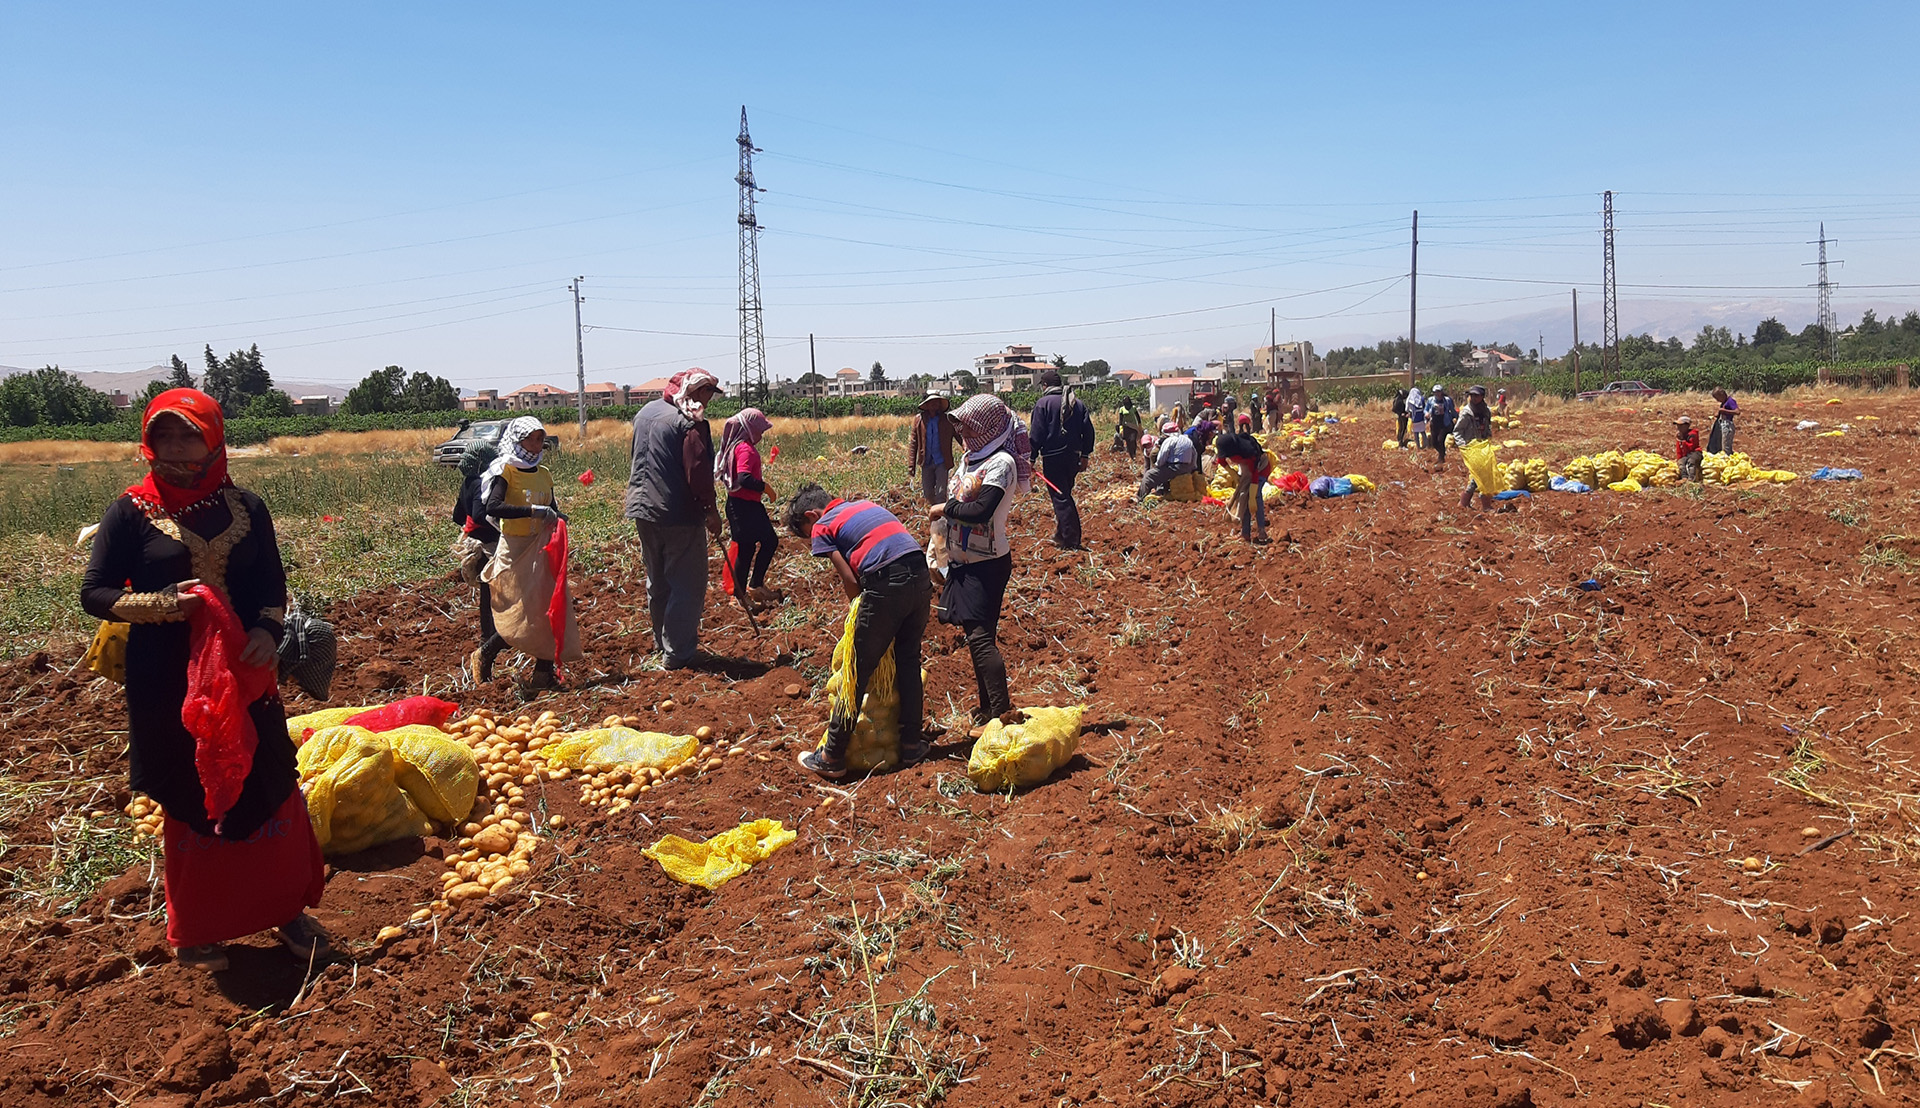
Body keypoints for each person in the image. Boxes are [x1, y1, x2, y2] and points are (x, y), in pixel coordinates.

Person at [80, 388, 327, 972]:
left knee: (269, 782)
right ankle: (197, 931)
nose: (174, 447)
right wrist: (164, 606)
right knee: (192, 795)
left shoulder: (245, 507)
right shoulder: (130, 512)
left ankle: (287, 912)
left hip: (243, 672)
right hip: (166, 678)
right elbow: (95, 593)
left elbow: (270, 583)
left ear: (214, 438)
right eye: (163, 435)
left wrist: (267, 631)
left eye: (188, 434)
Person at [784, 485, 931, 780]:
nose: (810, 537)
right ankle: (912, 744)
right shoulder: (863, 505)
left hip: (886, 580)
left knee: (856, 669)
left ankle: (832, 756)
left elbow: (850, 580)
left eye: (805, 530)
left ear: (812, 515)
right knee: (908, 661)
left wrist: (863, 616)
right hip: (920, 575)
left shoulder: (823, 524)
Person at [932, 395, 1029, 730]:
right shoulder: (971, 460)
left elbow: (979, 511)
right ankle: (988, 708)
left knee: (980, 639)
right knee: (979, 636)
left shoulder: (1001, 464)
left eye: (968, 426)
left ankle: (1001, 714)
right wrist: (940, 553)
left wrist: (943, 509)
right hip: (963, 562)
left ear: (988, 427)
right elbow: (956, 506)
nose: (962, 432)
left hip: (986, 565)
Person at [624, 369, 723, 669]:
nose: (708, 400)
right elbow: (698, 472)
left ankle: (662, 643)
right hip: (677, 511)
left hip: (642, 508)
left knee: (658, 578)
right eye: (705, 393)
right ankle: (678, 653)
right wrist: (710, 509)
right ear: (693, 392)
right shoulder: (689, 421)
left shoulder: (646, 412)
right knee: (686, 583)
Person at [479, 417, 581, 690]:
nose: (535, 446)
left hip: (542, 547)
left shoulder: (543, 473)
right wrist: (533, 511)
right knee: (520, 613)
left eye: (539, 440)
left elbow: (552, 505)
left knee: (546, 611)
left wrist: (558, 517)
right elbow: (493, 506)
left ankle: (542, 674)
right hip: (515, 548)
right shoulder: (506, 471)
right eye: (530, 439)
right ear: (516, 440)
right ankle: (486, 653)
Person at [716, 407, 781, 611]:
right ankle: (740, 595)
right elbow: (743, 478)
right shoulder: (743, 448)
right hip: (742, 507)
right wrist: (766, 488)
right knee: (746, 550)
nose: (761, 435)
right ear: (749, 429)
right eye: (760, 431)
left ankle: (756, 585)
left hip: (750, 505)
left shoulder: (743, 446)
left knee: (770, 541)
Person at [452, 440, 505, 682]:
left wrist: (470, 529)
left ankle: (487, 641)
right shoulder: (480, 483)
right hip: (490, 546)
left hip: (478, 545)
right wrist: (499, 520)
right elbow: (478, 514)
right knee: (498, 596)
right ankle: (488, 646)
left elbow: (458, 516)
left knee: (487, 598)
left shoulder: (466, 482)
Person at [1028, 369, 1095, 550]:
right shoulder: (1077, 404)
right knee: (1065, 494)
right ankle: (1060, 534)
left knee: (1060, 496)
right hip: (1073, 458)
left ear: (1044, 385)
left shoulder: (1043, 404)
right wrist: (1085, 455)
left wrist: (1031, 458)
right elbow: (1088, 431)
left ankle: (1071, 539)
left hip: (1053, 457)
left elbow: (1036, 434)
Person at [1214, 430, 1272, 543]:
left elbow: (1255, 475)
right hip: (1246, 470)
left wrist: (1252, 498)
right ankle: (1245, 534)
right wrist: (1232, 473)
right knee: (1243, 498)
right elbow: (1221, 461)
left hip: (1261, 469)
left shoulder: (1248, 452)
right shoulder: (1226, 449)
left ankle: (1262, 531)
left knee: (1256, 497)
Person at [908, 392, 957, 506]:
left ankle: (940, 518)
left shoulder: (947, 420)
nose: (934, 405)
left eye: (936, 402)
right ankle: (933, 512)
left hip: (942, 461)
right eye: (931, 402)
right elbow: (913, 443)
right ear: (927, 405)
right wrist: (911, 465)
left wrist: (966, 447)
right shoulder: (919, 420)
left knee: (941, 493)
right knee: (928, 492)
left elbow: (958, 435)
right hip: (926, 461)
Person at [1455, 385, 1495, 510]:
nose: (1473, 398)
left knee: (1482, 476)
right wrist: (1463, 445)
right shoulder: (1467, 412)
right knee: (1480, 476)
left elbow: (1487, 426)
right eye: (1471, 395)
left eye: (1476, 396)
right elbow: (1457, 431)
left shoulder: (1486, 411)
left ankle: (1464, 503)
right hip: (1471, 448)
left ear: (1482, 397)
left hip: (1483, 447)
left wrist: (1488, 436)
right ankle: (1484, 505)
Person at [1137, 420, 1200, 500]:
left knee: (1149, 476)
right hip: (1187, 468)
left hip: (1174, 468)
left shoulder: (1169, 441)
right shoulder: (1187, 440)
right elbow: (1194, 455)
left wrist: (1157, 467)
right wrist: (1191, 469)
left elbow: (1161, 458)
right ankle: (1163, 490)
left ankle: (1140, 498)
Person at [1427, 386, 1455, 467]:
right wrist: (1426, 413)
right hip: (1434, 423)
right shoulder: (1430, 400)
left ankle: (1441, 457)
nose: (1438, 394)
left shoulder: (1447, 400)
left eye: (1439, 392)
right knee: (1434, 442)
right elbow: (1426, 409)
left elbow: (1452, 410)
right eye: (1436, 392)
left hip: (1444, 423)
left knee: (1440, 440)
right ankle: (1442, 453)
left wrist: (1456, 417)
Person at [1710, 388, 1739, 455]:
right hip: (1722, 424)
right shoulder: (1724, 402)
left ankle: (1728, 459)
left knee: (1726, 446)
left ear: (1722, 394)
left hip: (1727, 425)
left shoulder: (1730, 401)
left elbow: (1737, 411)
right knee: (1720, 444)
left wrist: (1724, 411)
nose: (1717, 400)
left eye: (1718, 398)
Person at [1675, 415, 1703, 482]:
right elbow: (1679, 449)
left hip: (1694, 452)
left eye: (1681, 425)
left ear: (1687, 426)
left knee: (1691, 461)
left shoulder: (1692, 434)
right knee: (1681, 463)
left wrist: (1682, 440)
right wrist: (1679, 458)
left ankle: (1691, 479)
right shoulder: (1680, 435)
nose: (1678, 427)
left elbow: (1690, 447)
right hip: (1685, 455)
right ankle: (1684, 477)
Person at [1407, 383, 1427, 448]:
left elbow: (1408, 409)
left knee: (1416, 433)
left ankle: (1418, 446)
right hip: (1421, 417)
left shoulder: (1410, 400)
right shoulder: (1422, 399)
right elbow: (1424, 407)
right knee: (1422, 431)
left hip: (1414, 417)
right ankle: (1425, 445)